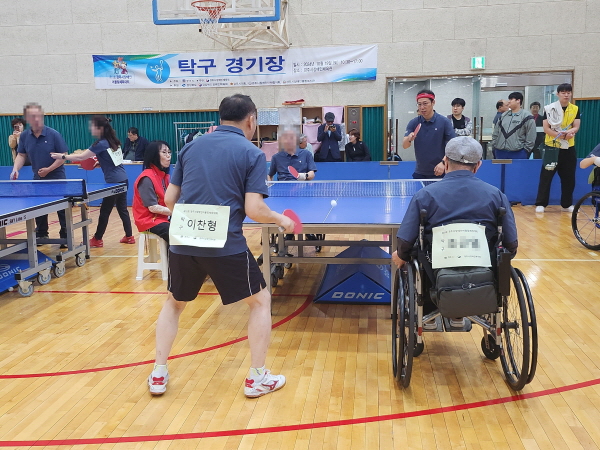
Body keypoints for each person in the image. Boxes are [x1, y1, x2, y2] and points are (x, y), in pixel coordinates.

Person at [147, 94, 295, 398]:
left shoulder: (190, 147)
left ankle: (158, 373)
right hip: (224, 242)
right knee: (260, 302)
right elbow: (254, 209)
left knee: (174, 303)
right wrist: (281, 219)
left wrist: (194, 217)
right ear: (251, 120)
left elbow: (170, 200)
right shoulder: (252, 153)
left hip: (183, 238)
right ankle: (257, 378)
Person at [392, 136, 518, 328]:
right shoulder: (496, 195)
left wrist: (401, 255)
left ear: (445, 162)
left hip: (435, 272)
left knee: (420, 254)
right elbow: (511, 243)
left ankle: (428, 314)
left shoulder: (425, 195)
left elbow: (406, 240)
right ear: (478, 165)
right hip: (483, 270)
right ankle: (460, 316)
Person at [51, 115, 135, 247]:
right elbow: (115, 161)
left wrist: (62, 156)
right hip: (123, 179)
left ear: (99, 128)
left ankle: (97, 239)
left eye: (92, 126)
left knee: (105, 211)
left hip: (113, 182)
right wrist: (101, 163)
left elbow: (81, 157)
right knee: (122, 209)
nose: (91, 129)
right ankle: (129, 236)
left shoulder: (100, 144)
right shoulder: (114, 141)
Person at [10, 103, 68, 244]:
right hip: (38, 179)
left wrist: (49, 169)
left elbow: (63, 156)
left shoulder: (53, 134)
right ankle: (42, 234)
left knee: (62, 209)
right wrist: (15, 169)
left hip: (57, 177)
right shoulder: (24, 136)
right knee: (39, 207)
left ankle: (65, 235)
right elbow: (21, 155)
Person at [534, 83, 580, 213]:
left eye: (568, 92)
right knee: (546, 176)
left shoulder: (575, 108)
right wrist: (560, 136)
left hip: (569, 147)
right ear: (558, 94)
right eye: (563, 93)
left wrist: (570, 133)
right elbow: (546, 128)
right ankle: (541, 203)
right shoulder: (549, 108)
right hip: (552, 147)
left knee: (569, 177)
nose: (566, 95)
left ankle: (567, 204)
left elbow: (576, 126)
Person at [403, 89, 455, 179]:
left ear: (433, 102)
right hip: (420, 171)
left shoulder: (444, 122)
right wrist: (409, 139)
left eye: (425, 103)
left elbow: (453, 146)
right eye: (419, 104)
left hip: (441, 170)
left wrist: (443, 163)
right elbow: (405, 146)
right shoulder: (414, 122)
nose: (422, 107)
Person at [133, 141, 172, 243]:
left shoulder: (164, 176)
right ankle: (172, 254)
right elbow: (153, 207)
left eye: (169, 152)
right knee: (174, 232)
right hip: (148, 220)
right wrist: (177, 212)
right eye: (164, 152)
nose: (168, 156)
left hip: (163, 217)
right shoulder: (146, 178)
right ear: (154, 155)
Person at [490, 92, 536, 159]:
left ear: (518, 100)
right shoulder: (503, 116)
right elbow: (496, 132)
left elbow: (531, 136)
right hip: (500, 152)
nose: (509, 101)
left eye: (511, 99)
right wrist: (494, 146)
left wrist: (526, 150)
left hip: (518, 153)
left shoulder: (527, 117)